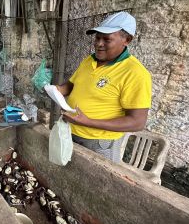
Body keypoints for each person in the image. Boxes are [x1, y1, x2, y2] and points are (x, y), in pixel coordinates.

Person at [57, 12, 152, 162]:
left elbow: (137, 122)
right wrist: (56, 90)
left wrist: (87, 121)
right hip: (70, 131)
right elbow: (71, 86)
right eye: (97, 37)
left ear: (127, 40)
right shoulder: (89, 60)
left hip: (99, 144)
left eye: (106, 39)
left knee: (95, 183)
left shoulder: (135, 73)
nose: (98, 43)